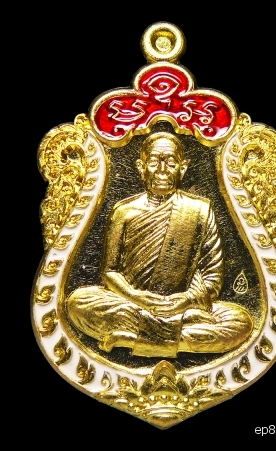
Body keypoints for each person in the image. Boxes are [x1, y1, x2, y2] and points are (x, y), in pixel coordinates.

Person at [67, 132, 253, 357]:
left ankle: (132, 339)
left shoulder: (200, 211)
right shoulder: (123, 212)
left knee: (241, 322)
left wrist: (184, 301)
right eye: (154, 162)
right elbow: (109, 272)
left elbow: (212, 279)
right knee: (77, 303)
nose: (162, 170)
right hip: (134, 304)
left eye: (171, 163)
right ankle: (177, 335)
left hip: (183, 307)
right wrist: (137, 297)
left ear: (183, 168)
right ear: (141, 167)